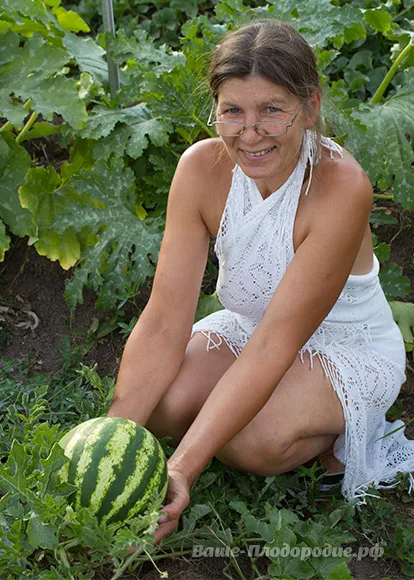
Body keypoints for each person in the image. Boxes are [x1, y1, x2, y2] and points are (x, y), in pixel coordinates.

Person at [108, 20, 412, 544]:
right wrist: (111, 441)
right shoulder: (200, 168)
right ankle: (234, 419)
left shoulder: (342, 187)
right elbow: (163, 319)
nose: (249, 133)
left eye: (272, 109)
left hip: (344, 346)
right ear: (216, 111)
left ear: (310, 107)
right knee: (161, 406)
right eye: (233, 111)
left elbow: (278, 343)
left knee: (254, 442)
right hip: (251, 326)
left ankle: (332, 442)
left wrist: (181, 469)